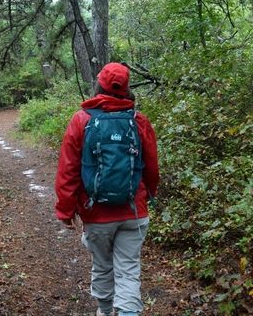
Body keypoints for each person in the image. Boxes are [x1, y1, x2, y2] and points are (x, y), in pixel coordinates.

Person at [55, 62, 160, 316]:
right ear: (126, 89)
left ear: (99, 84)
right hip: (134, 210)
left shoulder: (82, 120)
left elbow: (68, 170)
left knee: (102, 266)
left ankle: (104, 310)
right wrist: (150, 194)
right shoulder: (139, 121)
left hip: (96, 213)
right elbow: (152, 167)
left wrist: (65, 211)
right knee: (128, 269)